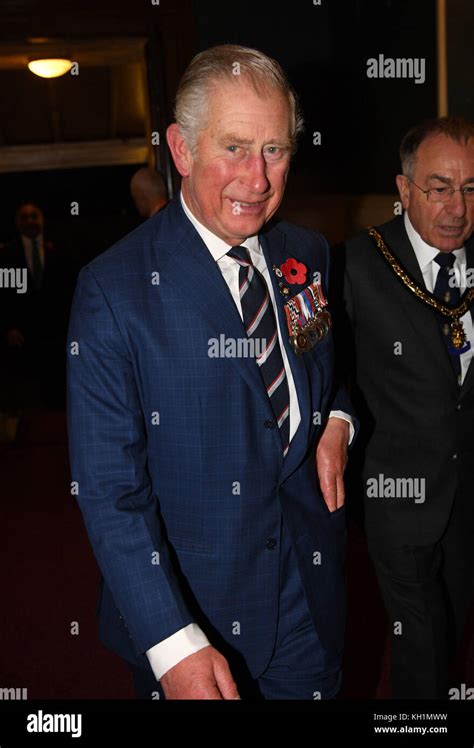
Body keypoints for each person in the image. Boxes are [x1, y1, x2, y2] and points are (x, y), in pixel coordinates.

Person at [67, 44, 354, 700]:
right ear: (182, 149)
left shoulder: (305, 252)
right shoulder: (113, 291)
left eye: (275, 150)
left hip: (310, 600)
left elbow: (327, 369)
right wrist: (173, 643)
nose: (257, 179)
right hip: (198, 620)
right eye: (234, 148)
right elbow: (109, 491)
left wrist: (336, 418)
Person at [336, 117, 474, 699]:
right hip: (397, 496)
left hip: (467, 495)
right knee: (419, 638)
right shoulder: (356, 265)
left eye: (471, 189)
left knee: (451, 631)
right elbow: (330, 378)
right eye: (439, 187)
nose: (457, 207)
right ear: (403, 188)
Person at [0, 202, 76, 410]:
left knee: (58, 398)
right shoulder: (7, 255)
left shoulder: (59, 249)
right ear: (17, 222)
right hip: (23, 338)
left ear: (42, 219)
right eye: (25, 217)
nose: (30, 221)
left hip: (56, 335)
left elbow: (68, 292)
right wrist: (9, 327)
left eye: (34, 216)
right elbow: (5, 296)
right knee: (27, 399)